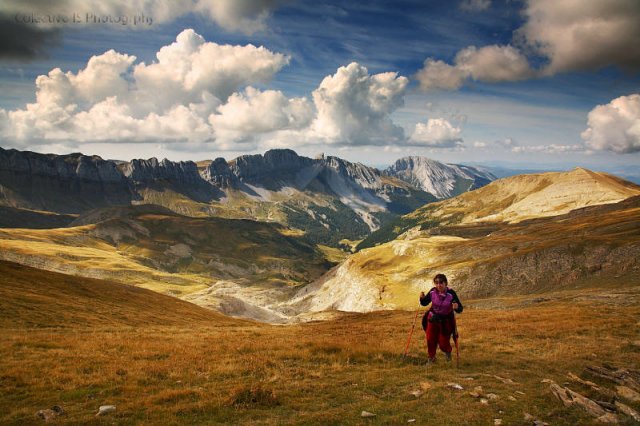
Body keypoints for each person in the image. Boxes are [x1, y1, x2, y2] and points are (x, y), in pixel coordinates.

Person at [419, 273, 463, 363]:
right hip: (432, 319)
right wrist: (421, 298)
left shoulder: (451, 293)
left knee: (443, 342)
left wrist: (456, 307)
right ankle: (431, 358)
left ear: (445, 283)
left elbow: (460, 309)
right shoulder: (432, 291)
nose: (439, 285)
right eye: (436, 283)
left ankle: (448, 353)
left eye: (441, 282)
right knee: (430, 339)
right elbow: (424, 303)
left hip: (445, 321)